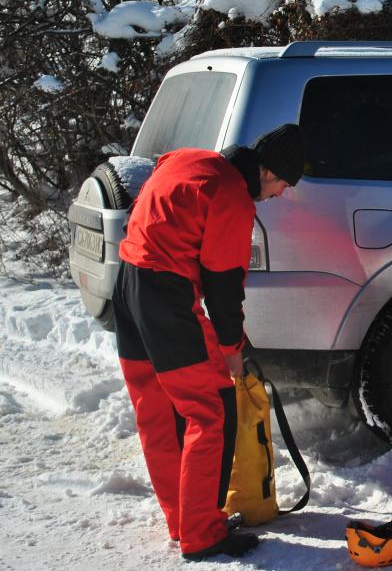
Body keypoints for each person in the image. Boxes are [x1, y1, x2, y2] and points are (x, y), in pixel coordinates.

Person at [112, 123, 305, 560]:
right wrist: (231, 348)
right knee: (209, 409)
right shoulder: (232, 197)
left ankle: (183, 519)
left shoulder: (188, 159)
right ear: (267, 172)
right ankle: (202, 532)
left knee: (158, 411)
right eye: (283, 185)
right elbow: (223, 283)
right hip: (166, 295)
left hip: (127, 284)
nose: (279, 195)